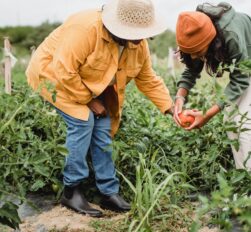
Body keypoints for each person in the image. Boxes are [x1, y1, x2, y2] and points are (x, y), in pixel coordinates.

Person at [26, 0, 173, 217]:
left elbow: (148, 78)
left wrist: (170, 108)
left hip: (88, 82)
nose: (140, 40)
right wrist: (90, 100)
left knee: (103, 126)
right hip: (52, 76)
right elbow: (64, 71)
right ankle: (71, 190)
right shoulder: (85, 29)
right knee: (83, 120)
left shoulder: (137, 44)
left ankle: (108, 192)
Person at [173, 2, 251, 172]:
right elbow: (191, 70)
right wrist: (179, 97)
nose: (193, 56)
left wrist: (207, 115)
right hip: (244, 71)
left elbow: (241, 79)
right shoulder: (193, 30)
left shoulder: (231, 35)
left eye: (198, 51)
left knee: (242, 123)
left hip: (248, 66)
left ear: (211, 42)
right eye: (190, 52)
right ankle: (243, 180)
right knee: (230, 120)